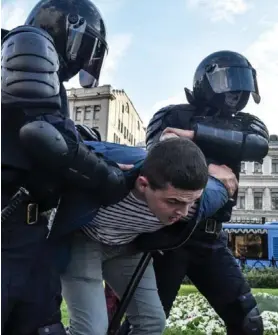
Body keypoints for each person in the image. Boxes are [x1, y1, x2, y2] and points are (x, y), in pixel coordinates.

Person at [115, 50, 268, 335]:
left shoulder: (245, 124)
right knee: (144, 325)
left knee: (248, 322)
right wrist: (208, 169)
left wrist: (194, 135)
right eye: (228, 80)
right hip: (170, 236)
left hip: (211, 239)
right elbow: (159, 158)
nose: (234, 92)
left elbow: (259, 143)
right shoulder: (173, 115)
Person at [1, 0, 128, 334]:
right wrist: (110, 178)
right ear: (71, 28)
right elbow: (45, 137)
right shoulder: (30, 46)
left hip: (31, 230)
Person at [60, 136, 238, 335]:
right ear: (143, 185)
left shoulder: (196, 199)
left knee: (151, 323)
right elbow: (65, 144)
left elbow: (222, 186)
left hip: (127, 248)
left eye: (191, 202)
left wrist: (214, 172)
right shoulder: (110, 174)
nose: (184, 212)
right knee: (90, 330)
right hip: (86, 242)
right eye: (173, 202)